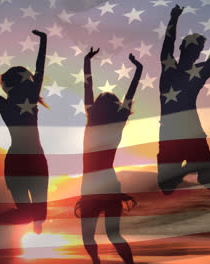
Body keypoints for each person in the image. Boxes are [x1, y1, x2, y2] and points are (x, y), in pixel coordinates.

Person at [157, 4, 210, 194]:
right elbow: (169, 44)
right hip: (175, 135)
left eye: (196, 51)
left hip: (186, 134)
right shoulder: (171, 68)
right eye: (195, 50)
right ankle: (189, 167)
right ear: (184, 49)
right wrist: (174, 17)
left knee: (209, 181)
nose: (195, 54)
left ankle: (189, 167)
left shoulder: (188, 71)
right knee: (167, 187)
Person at [76, 48, 142, 264]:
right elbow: (129, 98)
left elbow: (87, 87)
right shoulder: (118, 122)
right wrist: (138, 69)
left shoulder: (91, 118)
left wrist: (87, 61)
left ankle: (96, 262)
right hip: (109, 184)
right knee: (114, 234)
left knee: (88, 236)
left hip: (90, 186)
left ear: (96, 106)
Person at [0, 30, 49, 234]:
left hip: (18, 161)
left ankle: (0, 218)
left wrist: (44, 40)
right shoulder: (31, 97)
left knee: (31, 215)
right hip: (33, 160)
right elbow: (40, 69)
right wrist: (43, 40)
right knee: (35, 215)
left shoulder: (5, 104)